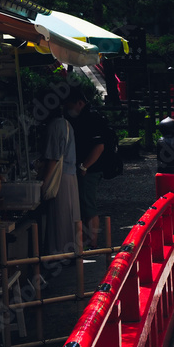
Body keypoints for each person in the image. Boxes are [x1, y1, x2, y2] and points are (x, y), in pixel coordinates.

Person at [63, 87, 107, 249]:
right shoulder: (88, 115)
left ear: (79, 103)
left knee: (88, 205)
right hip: (89, 167)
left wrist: (84, 166)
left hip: (91, 169)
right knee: (85, 204)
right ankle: (89, 242)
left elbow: (99, 146)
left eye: (69, 106)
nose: (68, 110)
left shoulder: (90, 118)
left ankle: (92, 244)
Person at [40, 111, 80, 256]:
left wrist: (44, 181)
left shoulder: (54, 126)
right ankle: (69, 250)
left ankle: (58, 251)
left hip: (60, 175)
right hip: (70, 174)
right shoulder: (66, 123)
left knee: (59, 216)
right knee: (69, 215)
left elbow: (53, 158)